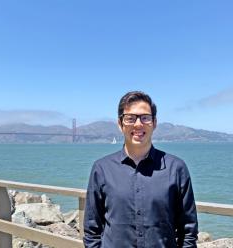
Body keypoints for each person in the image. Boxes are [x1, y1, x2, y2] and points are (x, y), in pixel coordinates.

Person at [83, 91, 198, 248]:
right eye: (130, 118)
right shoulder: (102, 169)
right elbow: (92, 229)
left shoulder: (176, 168)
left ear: (154, 123)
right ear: (120, 123)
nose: (138, 124)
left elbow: (188, 231)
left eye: (145, 118)